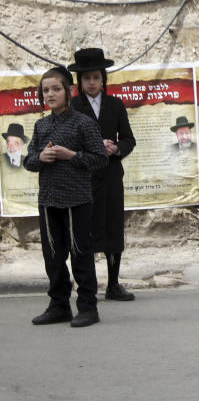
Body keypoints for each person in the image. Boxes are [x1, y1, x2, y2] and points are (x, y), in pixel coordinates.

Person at [25, 66, 109, 328]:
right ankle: (59, 305)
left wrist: (71, 155)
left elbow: (100, 159)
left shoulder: (83, 123)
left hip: (77, 200)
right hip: (49, 200)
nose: (50, 94)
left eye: (56, 89)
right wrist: (40, 157)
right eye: (45, 90)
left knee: (80, 253)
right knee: (53, 256)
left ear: (69, 91)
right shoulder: (41, 126)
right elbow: (28, 161)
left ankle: (87, 307)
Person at [69, 48, 138, 302]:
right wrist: (93, 148)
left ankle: (113, 283)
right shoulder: (73, 106)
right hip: (83, 177)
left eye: (96, 77)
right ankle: (87, 284)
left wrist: (116, 148)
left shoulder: (115, 104)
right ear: (80, 81)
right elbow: (68, 141)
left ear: (103, 79)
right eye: (86, 78)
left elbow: (129, 139)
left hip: (110, 176)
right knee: (84, 230)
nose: (92, 82)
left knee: (112, 227)